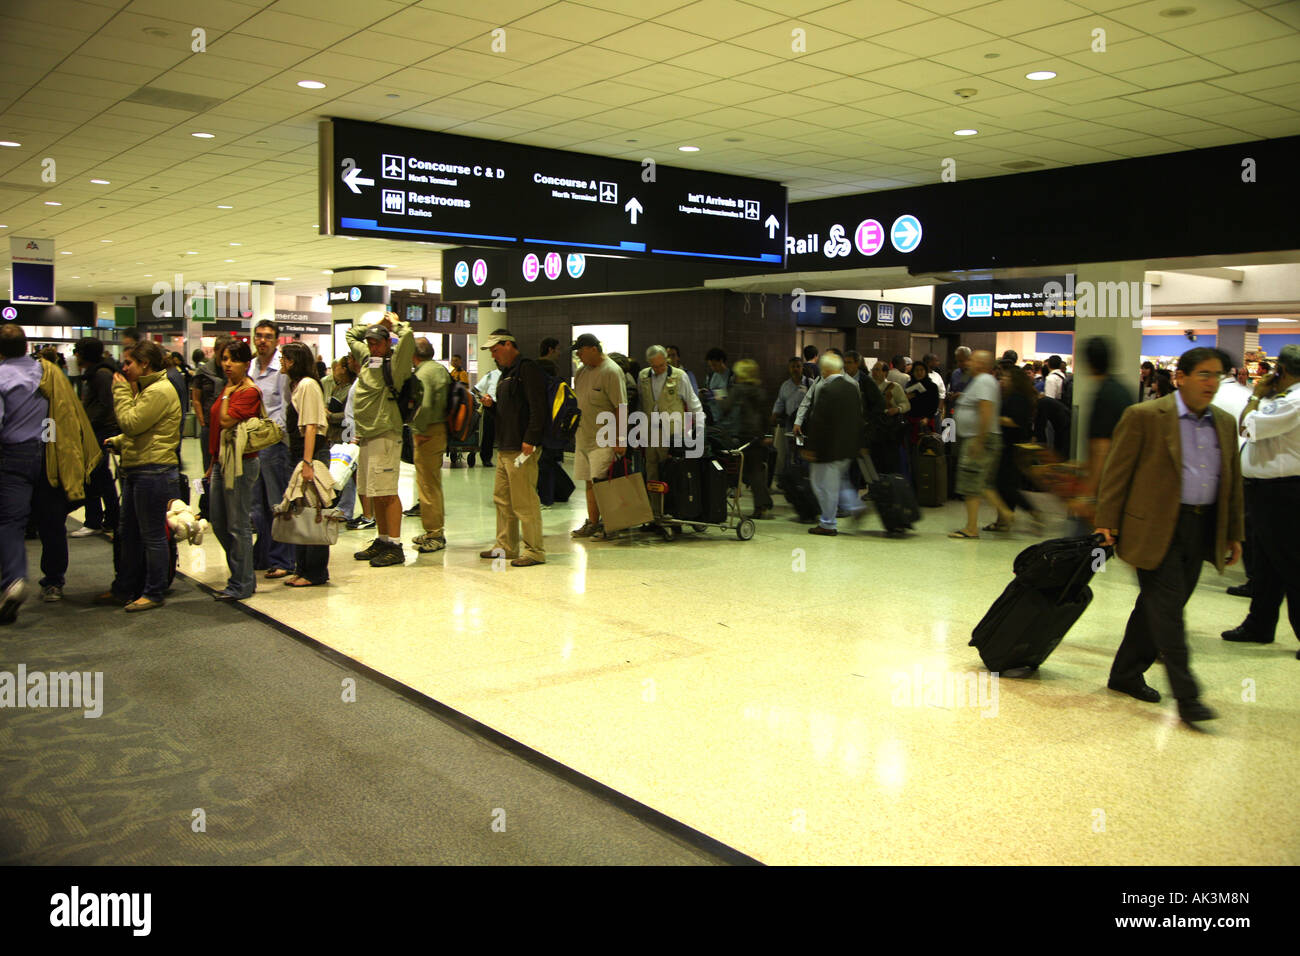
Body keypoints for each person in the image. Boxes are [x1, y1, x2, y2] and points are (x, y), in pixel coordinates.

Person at [1095, 347, 1243, 724]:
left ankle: (1125, 672)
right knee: (1169, 612)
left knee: (1157, 606)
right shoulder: (1145, 416)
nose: (1212, 383)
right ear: (1181, 378)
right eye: (1205, 374)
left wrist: (1233, 533)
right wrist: (1105, 521)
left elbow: (1233, 484)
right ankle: (1188, 696)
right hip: (1154, 525)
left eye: (1218, 375)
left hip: (1202, 526)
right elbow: (1117, 472)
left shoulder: (1224, 422)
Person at [1, 325, 96, 621]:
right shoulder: (48, 372)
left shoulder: (1, 376)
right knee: (52, 521)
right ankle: (54, 582)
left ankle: (13, 580)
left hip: (13, 457)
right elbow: (61, 416)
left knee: (11, 522)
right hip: (50, 453)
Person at [1221, 344, 1299, 654]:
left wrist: (1255, 394)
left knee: (1291, 563)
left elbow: (1246, 426)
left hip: (1282, 493)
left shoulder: (1292, 402)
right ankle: (1260, 625)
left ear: (1282, 371)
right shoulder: (1283, 400)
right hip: (1267, 491)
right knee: (1268, 564)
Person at [105, 340, 182, 612]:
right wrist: (119, 441)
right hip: (139, 467)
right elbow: (143, 430)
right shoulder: (149, 389)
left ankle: (154, 591)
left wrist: (121, 393)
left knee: (151, 536)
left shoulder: (158, 391)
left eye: (129, 363)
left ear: (145, 364)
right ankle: (125, 587)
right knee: (129, 533)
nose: (124, 368)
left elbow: (132, 423)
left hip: (154, 470)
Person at [347, 312, 415, 568]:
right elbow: (351, 334)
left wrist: (393, 324)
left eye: (378, 342)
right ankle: (383, 540)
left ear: (388, 343)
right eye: (371, 342)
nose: (373, 346)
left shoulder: (394, 365)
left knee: (387, 492)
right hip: (366, 434)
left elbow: (407, 338)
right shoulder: (368, 359)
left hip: (385, 434)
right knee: (373, 492)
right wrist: (373, 326)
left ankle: (396, 546)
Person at [478, 330, 547, 567]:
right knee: (503, 499)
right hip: (506, 447)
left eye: (496, 350)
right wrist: (490, 407)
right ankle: (506, 546)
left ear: (509, 345)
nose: (494, 356)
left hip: (521, 449)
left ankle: (534, 550)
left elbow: (539, 407)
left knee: (524, 501)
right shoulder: (506, 374)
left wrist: (531, 439)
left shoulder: (527, 369)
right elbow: (507, 413)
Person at [206, 340, 264, 602]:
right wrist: (210, 464)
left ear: (246, 363)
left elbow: (228, 419)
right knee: (217, 521)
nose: (227, 364)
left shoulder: (248, 391)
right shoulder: (228, 387)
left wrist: (229, 393)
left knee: (238, 524)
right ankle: (243, 574)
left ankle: (241, 582)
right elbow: (217, 427)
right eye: (225, 359)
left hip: (241, 462)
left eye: (233, 360)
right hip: (220, 460)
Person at [278, 342, 332, 588]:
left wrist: (308, 462)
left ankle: (316, 572)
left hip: (310, 455)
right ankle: (303, 568)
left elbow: (311, 425)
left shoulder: (309, 385)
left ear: (294, 361)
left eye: (285, 358)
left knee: (312, 512)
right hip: (299, 455)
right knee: (300, 512)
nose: (282, 362)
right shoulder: (298, 385)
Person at [1070, 337, 1134, 529]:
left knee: (1083, 544)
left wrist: (1087, 495)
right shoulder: (1122, 390)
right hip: (1120, 480)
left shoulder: (1103, 394)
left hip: (1103, 487)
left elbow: (1102, 448)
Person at [949, 350, 1014, 538]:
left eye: (973, 360)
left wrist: (980, 440)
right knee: (982, 483)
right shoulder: (983, 381)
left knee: (971, 483)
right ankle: (1005, 513)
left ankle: (971, 528)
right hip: (980, 436)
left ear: (982, 365)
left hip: (979, 437)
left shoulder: (984, 381)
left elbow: (986, 410)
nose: (969, 363)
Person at [248, 320, 294, 579]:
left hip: (274, 444)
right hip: (252, 444)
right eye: (258, 336)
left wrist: (274, 436)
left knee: (278, 503)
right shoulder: (251, 367)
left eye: (267, 336)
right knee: (257, 505)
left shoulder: (281, 370)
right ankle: (263, 553)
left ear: (277, 340)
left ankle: (283, 558)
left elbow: (286, 407)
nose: (262, 340)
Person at [570, 333, 627, 538]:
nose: (578, 354)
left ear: (594, 349)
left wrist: (621, 440)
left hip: (604, 438)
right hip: (583, 436)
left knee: (603, 482)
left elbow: (620, 407)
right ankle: (593, 522)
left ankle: (612, 525)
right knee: (588, 481)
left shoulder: (611, 371)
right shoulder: (581, 372)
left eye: (581, 350)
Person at [638, 344, 704, 519]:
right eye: (655, 366)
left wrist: (698, 429)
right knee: (651, 472)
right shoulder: (643, 376)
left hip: (673, 434)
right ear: (649, 364)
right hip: (651, 432)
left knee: (671, 472)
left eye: (662, 365)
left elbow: (693, 402)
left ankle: (673, 512)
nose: (659, 369)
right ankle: (655, 513)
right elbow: (641, 404)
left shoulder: (679, 376)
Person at [804, 353, 864, 536]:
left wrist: (811, 447)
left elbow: (818, 421)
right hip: (846, 447)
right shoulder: (852, 387)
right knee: (838, 482)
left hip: (827, 449)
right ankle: (854, 505)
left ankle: (828, 524)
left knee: (821, 485)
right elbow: (858, 418)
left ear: (825, 369)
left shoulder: (828, 389)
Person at [71, 337, 120, 539]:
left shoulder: (101, 375)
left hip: (100, 431)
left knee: (91, 475)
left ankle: (95, 520)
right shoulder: (96, 373)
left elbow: (105, 404)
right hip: (98, 430)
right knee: (102, 476)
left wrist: (88, 424)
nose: (75, 356)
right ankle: (110, 519)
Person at [409, 337, 451, 554]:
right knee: (430, 483)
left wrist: (418, 430)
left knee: (427, 485)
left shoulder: (423, 373)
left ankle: (435, 532)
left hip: (428, 432)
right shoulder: (439, 369)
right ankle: (432, 529)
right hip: (439, 428)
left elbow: (423, 406)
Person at [988, 363, 1042, 531]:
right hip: (1009, 444)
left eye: (1006, 377)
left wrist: (992, 418)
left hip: (1012, 445)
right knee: (1006, 484)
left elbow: (1015, 421)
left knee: (1004, 484)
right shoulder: (1012, 396)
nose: (1002, 380)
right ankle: (1003, 520)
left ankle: (1031, 512)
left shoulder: (1018, 398)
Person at [720, 359, 771, 519]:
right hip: (758, 436)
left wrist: (718, 397)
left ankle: (719, 503)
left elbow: (726, 408)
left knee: (731, 469)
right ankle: (762, 504)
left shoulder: (737, 389)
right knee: (755, 471)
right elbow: (766, 416)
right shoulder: (760, 391)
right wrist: (767, 435)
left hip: (742, 434)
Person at [191, 336, 230, 511]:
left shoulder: (231, 371)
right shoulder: (203, 372)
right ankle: (207, 507)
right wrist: (202, 421)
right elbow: (196, 399)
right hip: (209, 427)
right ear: (215, 351)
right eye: (223, 354)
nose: (226, 360)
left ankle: (223, 506)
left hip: (228, 426)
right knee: (209, 467)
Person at [327, 358, 359, 523]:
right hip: (335, 436)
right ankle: (341, 506)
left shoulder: (350, 389)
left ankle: (346, 508)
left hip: (345, 434)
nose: (334, 370)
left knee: (346, 473)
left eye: (336, 367)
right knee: (339, 472)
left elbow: (348, 415)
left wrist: (330, 416)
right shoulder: (337, 388)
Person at [771, 357, 807, 480]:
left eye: (798, 366)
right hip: (790, 423)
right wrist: (774, 414)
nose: (796, 369)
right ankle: (789, 478)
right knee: (788, 450)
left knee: (801, 450)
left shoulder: (810, 384)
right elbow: (780, 402)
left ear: (802, 368)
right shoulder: (785, 386)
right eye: (793, 366)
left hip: (804, 425)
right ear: (789, 369)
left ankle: (802, 478)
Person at [473, 360, 500, 469]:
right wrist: (483, 398)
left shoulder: (512, 375)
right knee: (488, 433)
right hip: (491, 406)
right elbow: (475, 389)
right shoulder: (491, 375)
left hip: (507, 407)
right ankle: (486, 458)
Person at [448, 353, 471, 467]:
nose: (454, 362)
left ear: (460, 361)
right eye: (453, 360)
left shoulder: (462, 374)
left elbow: (465, 388)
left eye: (456, 360)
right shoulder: (452, 373)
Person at [701, 347, 731, 422]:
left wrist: (708, 394)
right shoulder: (710, 376)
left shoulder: (731, 376)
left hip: (726, 418)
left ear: (721, 361)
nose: (713, 368)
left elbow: (729, 394)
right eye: (710, 366)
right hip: (711, 415)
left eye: (714, 365)